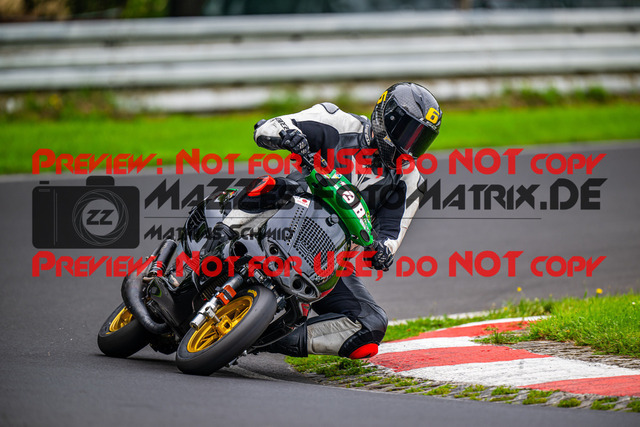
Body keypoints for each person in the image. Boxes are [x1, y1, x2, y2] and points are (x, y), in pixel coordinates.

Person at [253, 82, 442, 359]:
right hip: (284, 212)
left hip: (325, 260)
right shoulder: (335, 121)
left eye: (420, 140)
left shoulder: (411, 180)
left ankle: (264, 337)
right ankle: (207, 237)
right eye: (407, 134)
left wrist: (381, 252)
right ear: (386, 119)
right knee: (268, 188)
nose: (409, 147)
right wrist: (289, 137)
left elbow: (391, 236)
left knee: (371, 325)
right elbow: (267, 127)